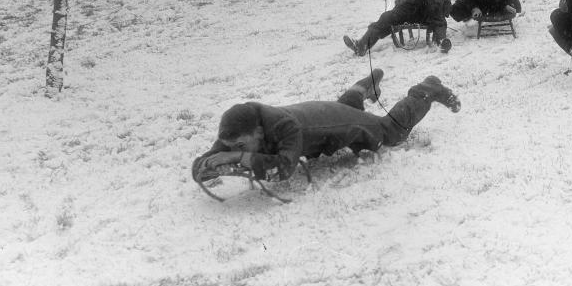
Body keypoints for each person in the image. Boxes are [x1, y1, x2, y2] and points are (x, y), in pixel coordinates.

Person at [191, 69, 461, 183]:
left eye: (241, 146)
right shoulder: (241, 128)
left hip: (332, 121)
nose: (234, 149)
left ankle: (427, 89)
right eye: (233, 146)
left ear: (259, 132)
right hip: (323, 113)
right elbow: (214, 155)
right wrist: (205, 167)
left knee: (389, 133)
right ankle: (360, 89)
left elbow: (283, 169)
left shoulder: (285, 129)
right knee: (343, 112)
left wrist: (239, 158)